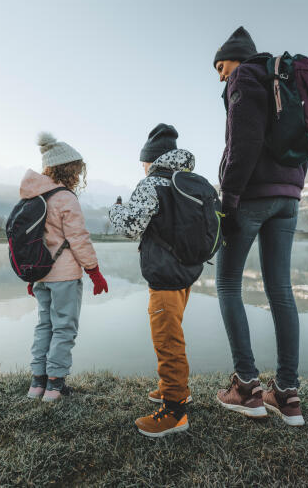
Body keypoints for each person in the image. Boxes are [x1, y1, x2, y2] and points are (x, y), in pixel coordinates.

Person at [213, 26, 306, 426]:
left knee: (228, 284)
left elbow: (244, 143)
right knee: (281, 290)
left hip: (252, 196)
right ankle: (287, 395)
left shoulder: (245, 77)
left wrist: (228, 201)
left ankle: (247, 388)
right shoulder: (280, 80)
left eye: (221, 66)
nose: (220, 75)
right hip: (288, 196)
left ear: (236, 58)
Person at [109, 124, 197, 437]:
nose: (143, 167)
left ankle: (175, 412)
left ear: (153, 159)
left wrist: (116, 210)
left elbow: (132, 227)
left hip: (164, 274)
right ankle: (174, 388)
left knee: (166, 338)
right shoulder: (187, 182)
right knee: (173, 331)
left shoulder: (152, 184)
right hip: (187, 272)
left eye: (143, 161)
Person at [22, 132, 108, 402]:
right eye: (77, 170)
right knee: (64, 328)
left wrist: (30, 275)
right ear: (69, 169)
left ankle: (37, 383)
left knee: (44, 325)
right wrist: (94, 272)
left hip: (40, 274)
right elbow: (79, 239)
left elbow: (28, 239)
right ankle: (55, 386)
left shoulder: (33, 195)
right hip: (64, 276)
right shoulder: (65, 198)